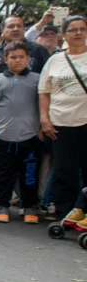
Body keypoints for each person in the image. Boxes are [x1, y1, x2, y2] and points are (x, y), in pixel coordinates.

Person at [0, 41, 42, 224]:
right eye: (13, 57)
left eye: (21, 56)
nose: (17, 60)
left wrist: (41, 129)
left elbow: (44, 105)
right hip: (2, 136)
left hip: (30, 136)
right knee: (3, 173)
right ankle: (2, 205)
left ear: (28, 59)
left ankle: (29, 205)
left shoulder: (37, 80)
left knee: (29, 173)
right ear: (5, 59)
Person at [39, 15, 87, 221]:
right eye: (73, 29)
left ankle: (83, 210)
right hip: (60, 123)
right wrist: (44, 120)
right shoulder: (55, 60)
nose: (78, 33)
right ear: (64, 35)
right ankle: (65, 213)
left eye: (83, 29)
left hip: (86, 122)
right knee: (63, 170)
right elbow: (44, 91)